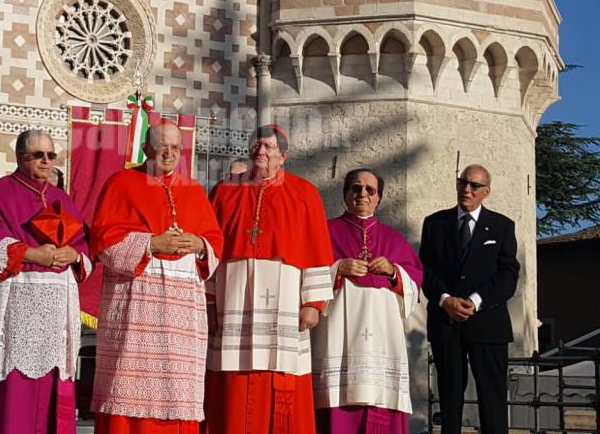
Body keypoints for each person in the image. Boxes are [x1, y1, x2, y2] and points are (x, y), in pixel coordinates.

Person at [89, 119, 223, 434]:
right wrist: (151, 243)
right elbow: (103, 242)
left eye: (176, 147)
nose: (169, 153)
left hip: (182, 316)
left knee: (177, 390)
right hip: (137, 306)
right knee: (129, 385)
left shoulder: (193, 189)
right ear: (146, 148)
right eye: (162, 146)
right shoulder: (120, 183)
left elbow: (214, 240)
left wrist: (200, 244)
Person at [0, 129, 91, 434]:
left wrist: (74, 255)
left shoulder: (61, 199)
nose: (46, 161)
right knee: (11, 393)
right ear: (19, 156)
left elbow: (84, 248)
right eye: (38, 155)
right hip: (13, 309)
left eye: (51, 155)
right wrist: (33, 253)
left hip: (54, 314)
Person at [205, 124, 334, 434]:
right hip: (233, 295)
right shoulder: (225, 191)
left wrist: (313, 303)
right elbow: (211, 249)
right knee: (233, 372)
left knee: (281, 373)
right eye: (256, 146)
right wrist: (209, 299)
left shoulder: (304, 194)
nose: (259, 152)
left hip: (285, 299)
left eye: (267, 147)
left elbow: (317, 248)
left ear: (283, 156)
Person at [312, 169, 423, 434]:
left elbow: (415, 283)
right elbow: (308, 275)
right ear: (345, 194)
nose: (362, 194)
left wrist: (393, 271)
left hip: (383, 338)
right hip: (338, 334)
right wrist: (337, 268)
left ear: (379, 198)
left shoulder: (395, 240)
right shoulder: (324, 232)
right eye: (356, 188)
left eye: (369, 190)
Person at [419, 164, 519, 434]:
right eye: (463, 182)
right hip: (446, 322)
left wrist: (475, 300)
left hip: (488, 324)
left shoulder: (502, 227)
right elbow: (424, 269)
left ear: (486, 192)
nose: (467, 189)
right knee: (449, 397)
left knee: (492, 398)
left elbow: (508, 275)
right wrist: (445, 300)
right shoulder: (434, 223)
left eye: (475, 185)